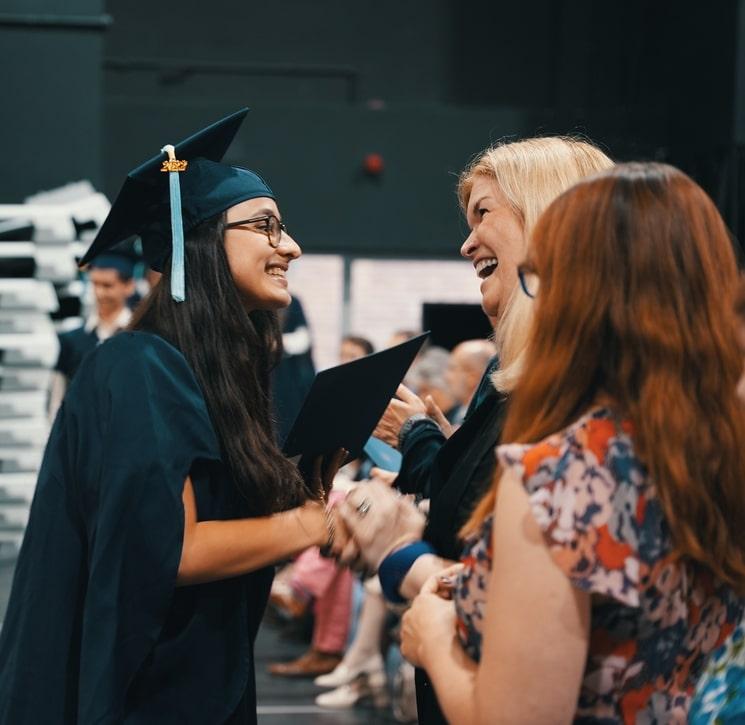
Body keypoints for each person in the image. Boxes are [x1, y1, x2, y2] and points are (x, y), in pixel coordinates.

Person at [0, 109, 344, 724]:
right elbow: (174, 549)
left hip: (203, 679)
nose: (289, 245)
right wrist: (314, 525)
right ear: (201, 241)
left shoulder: (209, 376)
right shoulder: (137, 367)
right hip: (143, 693)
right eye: (265, 226)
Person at [400, 162, 745, 722]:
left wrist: (434, 640)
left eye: (539, 277)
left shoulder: (562, 475)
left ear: (576, 294)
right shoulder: (718, 446)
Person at [334, 137, 614, 722]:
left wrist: (399, 557)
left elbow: (517, 600)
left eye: (484, 212)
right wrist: (433, 442)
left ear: (547, 217)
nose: (466, 243)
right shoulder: (514, 377)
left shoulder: (578, 405)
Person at [443, 339, 497, 426]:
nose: (446, 376)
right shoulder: (452, 414)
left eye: (452, 368)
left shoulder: (486, 422)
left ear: (472, 378)